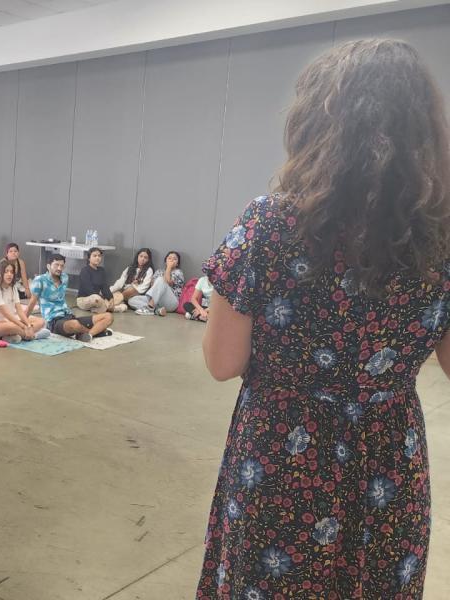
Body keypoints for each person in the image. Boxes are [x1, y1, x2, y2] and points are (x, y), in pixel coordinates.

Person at [196, 40, 450, 599]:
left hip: (281, 458)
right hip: (389, 460)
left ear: (316, 124)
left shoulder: (267, 225)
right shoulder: (440, 238)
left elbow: (222, 362)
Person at [27, 254, 111, 342]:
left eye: (62, 266)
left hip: (69, 316)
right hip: (53, 320)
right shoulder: (39, 280)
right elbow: (32, 302)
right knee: (75, 325)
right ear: (48, 266)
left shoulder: (64, 277)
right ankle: (94, 332)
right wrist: (24, 321)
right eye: (56, 265)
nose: (59, 268)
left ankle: (89, 334)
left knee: (108, 317)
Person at [0, 261, 45, 342]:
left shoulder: (13, 288)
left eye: (11, 272)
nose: (9, 274)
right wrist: (23, 326)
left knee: (41, 321)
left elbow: (19, 310)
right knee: (13, 327)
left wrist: (28, 325)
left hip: (11, 321)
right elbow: (6, 313)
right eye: (6, 272)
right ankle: (33, 335)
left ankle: (15, 335)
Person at [128, 251, 184, 316]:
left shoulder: (179, 272)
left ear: (177, 263)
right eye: (169, 258)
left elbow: (169, 282)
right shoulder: (159, 271)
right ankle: (156, 310)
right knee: (132, 300)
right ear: (165, 261)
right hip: (156, 300)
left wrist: (169, 267)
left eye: (174, 259)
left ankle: (150, 308)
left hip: (171, 302)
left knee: (161, 279)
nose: (171, 260)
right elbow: (153, 286)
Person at [75, 247, 117, 313]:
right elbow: (89, 290)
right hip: (85, 299)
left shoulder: (101, 270)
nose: (97, 258)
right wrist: (104, 300)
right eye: (94, 256)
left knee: (117, 297)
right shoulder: (85, 270)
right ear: (89, 258)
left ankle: (103, 308)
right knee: (96, 298)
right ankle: (109, 308)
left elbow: (105, 287)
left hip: (98, 299)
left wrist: (111, 299)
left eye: (99, 256)